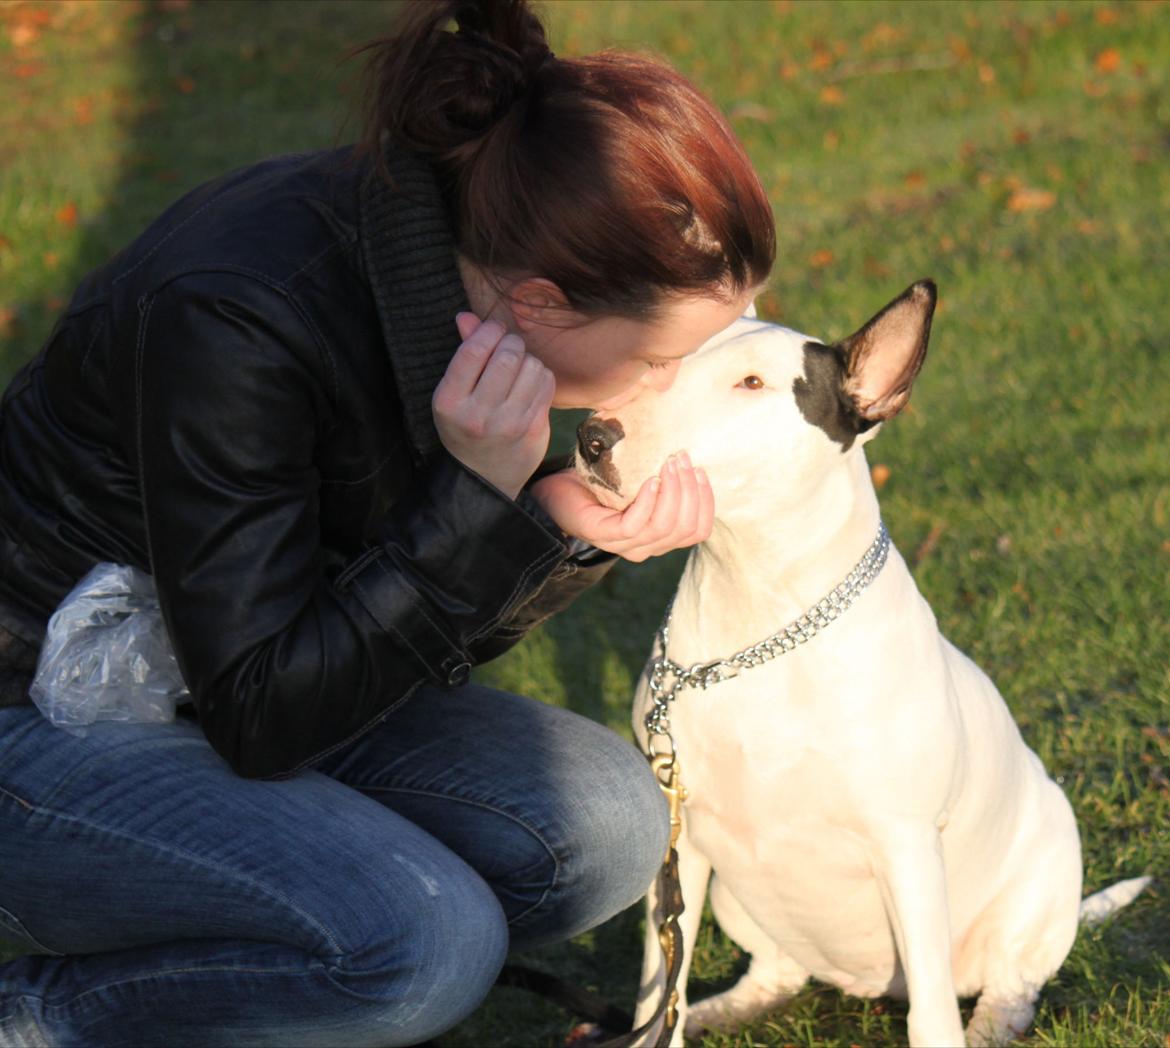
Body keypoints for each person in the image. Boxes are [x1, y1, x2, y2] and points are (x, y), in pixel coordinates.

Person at [0, 0, 774, 1044]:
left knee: (603, 824)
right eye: (655, 358)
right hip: (43, 711)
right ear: (542, 301)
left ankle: (288, 940)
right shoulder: (241, 315)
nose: (667, 386)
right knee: (420, 942)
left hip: (203, 685)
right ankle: (41, 1019)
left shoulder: (458, 260)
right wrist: (469, 500)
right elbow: (263, 714)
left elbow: (363, 643)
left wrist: (543, 521)